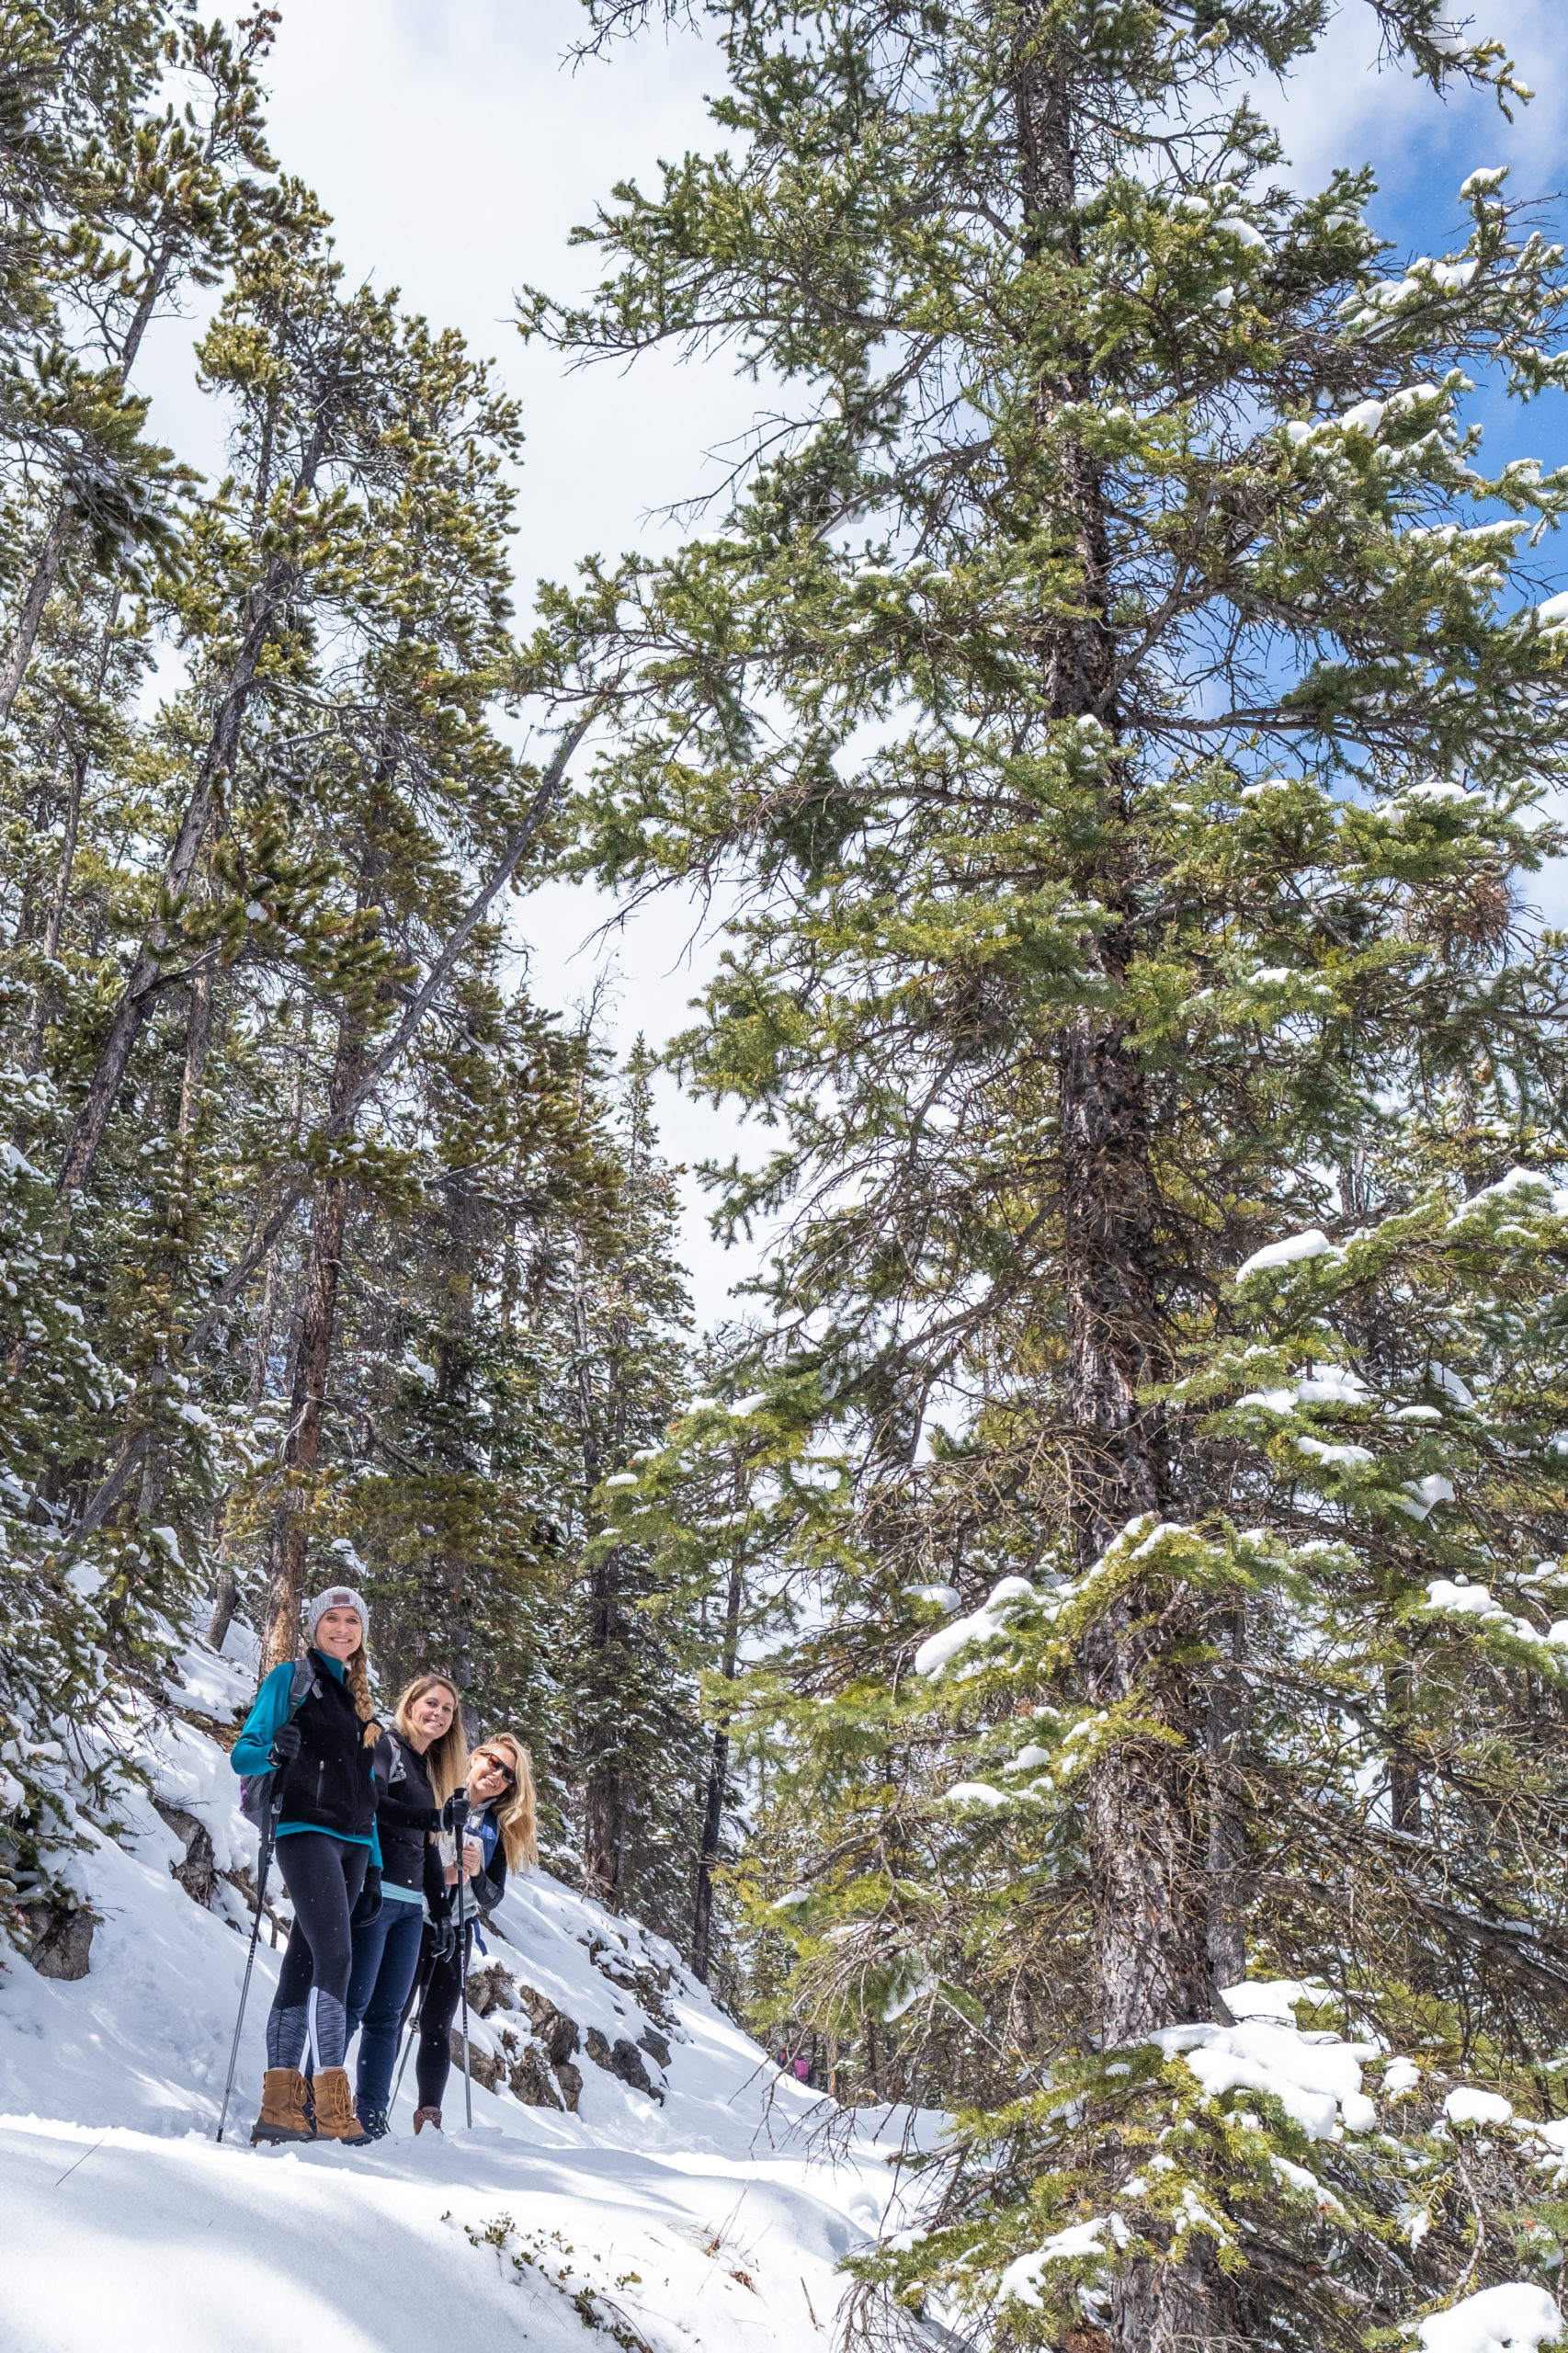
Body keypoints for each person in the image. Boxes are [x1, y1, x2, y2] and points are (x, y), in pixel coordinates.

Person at [229, 1584, 382, 2146]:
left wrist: (377, 1864)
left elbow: (367, 1791)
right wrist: (275, 1750)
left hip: (354, 1845)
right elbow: (242, 1752)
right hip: (303, 1829)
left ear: (363, 1633)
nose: (342, 1629)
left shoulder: (363, 1701)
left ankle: (281, 2110)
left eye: (352, 1621)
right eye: (331, 1620)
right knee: (336, 1955)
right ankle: (330, 2101)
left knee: (304, 1961)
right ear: (314, 1627)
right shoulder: (289, 1680)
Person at [340, 1674, 467, 2139]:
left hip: (411, 1907)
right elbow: (371, 1803)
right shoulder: (386, 1746)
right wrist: (432, 1817)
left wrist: (442, 1910)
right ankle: (319, 2099)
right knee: (353, 2005)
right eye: (431, 1703)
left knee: (387, 2015)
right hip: (376, 1892)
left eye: (447, 1710)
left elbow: (428, 1846)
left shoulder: (425, 1767)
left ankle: (370, 2115)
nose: (438, 1714)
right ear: (410, 1702)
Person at [411, 1730, 538, 2132]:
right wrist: (441, 1875)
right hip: (411, 1919)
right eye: (493, 1762)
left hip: (457, 1928)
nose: (497, 1774)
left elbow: (492, 1896)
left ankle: (429, 2115)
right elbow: (404, 1849)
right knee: (390, 2013)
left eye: (508, 1775)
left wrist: (477, 1872)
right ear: (474, 1758)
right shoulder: (436, 1793)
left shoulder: (497, 1827)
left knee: (436, 2023)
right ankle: (366, 2099)